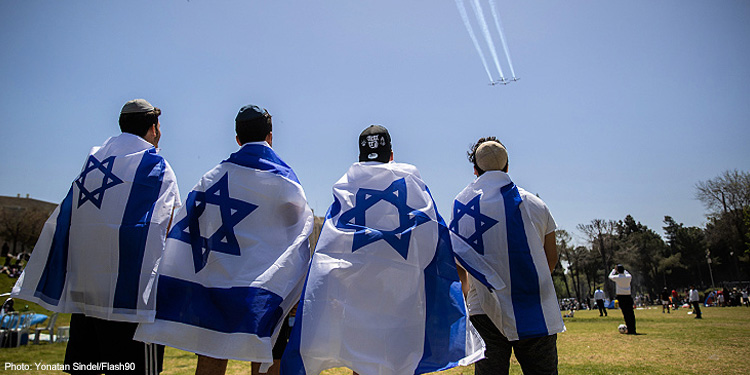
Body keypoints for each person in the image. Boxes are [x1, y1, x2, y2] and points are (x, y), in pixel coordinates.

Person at [281, 125, 483, 375]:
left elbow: (329, 246)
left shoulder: (346, 191)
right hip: (402, 300)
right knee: (399, 364)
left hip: (358, 298)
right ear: (391, 154)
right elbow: (434, 234)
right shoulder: (413, 186)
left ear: (360, 157)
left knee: (362, 360)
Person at [134, 105, 314, 375]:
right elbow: (299, 236)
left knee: (211, 355)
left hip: (215, 287)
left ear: (238, 138)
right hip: (261, 291)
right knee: (266, 355)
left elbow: (187, 229)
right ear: (270, 136)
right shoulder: (284, 181)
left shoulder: (211, 178)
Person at [12, 99, 181, 374]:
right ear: (153, 129)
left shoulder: (92, 164)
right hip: (130, 299)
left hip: (85, 294)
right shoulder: (157, 167)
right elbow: (168, 225)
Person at [450, 137, 565, 375]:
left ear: (475, 170)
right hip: (535, 306)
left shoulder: (463, 207)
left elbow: (458, 260)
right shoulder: (537, 205)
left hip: (483, 307)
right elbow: (550, 258)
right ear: (507, 167)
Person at [609, 265, 637, 335]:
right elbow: (627, 273)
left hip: (621, 296)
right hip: (628, 295)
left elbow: (610, 276)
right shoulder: (628, 277)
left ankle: (629, 329)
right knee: (631, 313)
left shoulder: (617, 277)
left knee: (625, 313)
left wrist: (614, 270)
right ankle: (632, 329)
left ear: (618, 271)